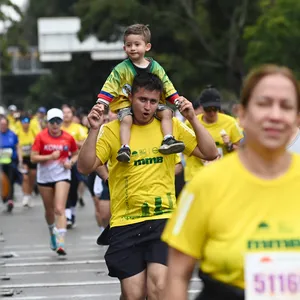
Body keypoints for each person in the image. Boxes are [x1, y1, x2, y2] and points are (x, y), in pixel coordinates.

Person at [162, 64, 300, 300]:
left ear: (296, 118)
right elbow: (176, 275)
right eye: (264, 103)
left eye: (286, 106)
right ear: (242, 114)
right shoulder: (206, 184)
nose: (275, 115)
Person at [78, 73, 218, 300]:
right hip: (126, 223)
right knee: (134, 294)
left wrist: (192, 118)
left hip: (163, 220)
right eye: (142, 100)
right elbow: (85, 167)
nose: (147, 107)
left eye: (153, 102)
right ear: (131, 97)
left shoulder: (169, 128)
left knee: (158, 289)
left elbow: (210, 153)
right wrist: (93, 130)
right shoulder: (114, 130)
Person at [97, 23, 184, 163]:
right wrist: (102, 103)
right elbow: (110, 85)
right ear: (124, 48)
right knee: (126, 119)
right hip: (126, 104)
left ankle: (168, 139)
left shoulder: (156, 67)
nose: (133, 48)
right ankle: (125, 148)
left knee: (167, 113)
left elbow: (166, 84)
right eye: (129, 45)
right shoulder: (121, 69)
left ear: (147, 47)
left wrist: (177, 100)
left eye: (137, 44)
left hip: (151, 104)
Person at [31, 108, 78, 255]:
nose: (55, 125)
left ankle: (61, 242)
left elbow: (76, 153)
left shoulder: (68, 138)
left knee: (59, 208)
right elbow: (33, 157)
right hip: (44, 177)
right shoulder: (41, 137)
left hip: (62, 175)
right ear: (47, 123)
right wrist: (49, 157)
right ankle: (52, 232)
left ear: (62, 122)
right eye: (52, 122)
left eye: (58, 121)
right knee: (49, 211)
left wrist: (70, 162)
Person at [184, 86, 243, 182]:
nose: (211, 112)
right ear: (201, 107)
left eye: (215, 109)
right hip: (196, 175)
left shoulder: (230, 122)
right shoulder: (191, 123)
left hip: (222, 175)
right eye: (208, 109)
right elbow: (185, 149)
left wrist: (229, 145)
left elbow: (242, 151)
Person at [61, 104, 87, 228]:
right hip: (61, 164)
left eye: (68, 113)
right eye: (64, 112)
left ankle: (72, 212)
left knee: (73, 190)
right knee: (63, 189)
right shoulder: (58, 128)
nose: (66, 115)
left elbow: (85, 143)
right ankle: (67, 216)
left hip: (75, 162)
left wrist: (73, 142)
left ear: (72, 115)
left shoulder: (78, 128)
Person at [0, 116, 22, 212]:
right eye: (1, 124)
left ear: (8, 125)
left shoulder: (12, 135)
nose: (3, 126)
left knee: (10, 180)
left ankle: (10, 199)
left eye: (5, 124)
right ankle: (4, 196)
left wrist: (20, 159)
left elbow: (18, 147)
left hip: (11, 162)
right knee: (2, 180)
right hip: (1, 162)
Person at [16, 115, 38, 207]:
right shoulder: (18, 132)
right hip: (23, 158)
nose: (26, 124)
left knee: (32, 177)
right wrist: (20, 159)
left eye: (27, 122)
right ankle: (25, 195)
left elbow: (38, 141)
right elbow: (17, 146)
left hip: (32, 157)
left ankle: (29, 192)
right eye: (24, 122)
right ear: (21, 123)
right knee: (25, 177)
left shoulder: (33, 131)